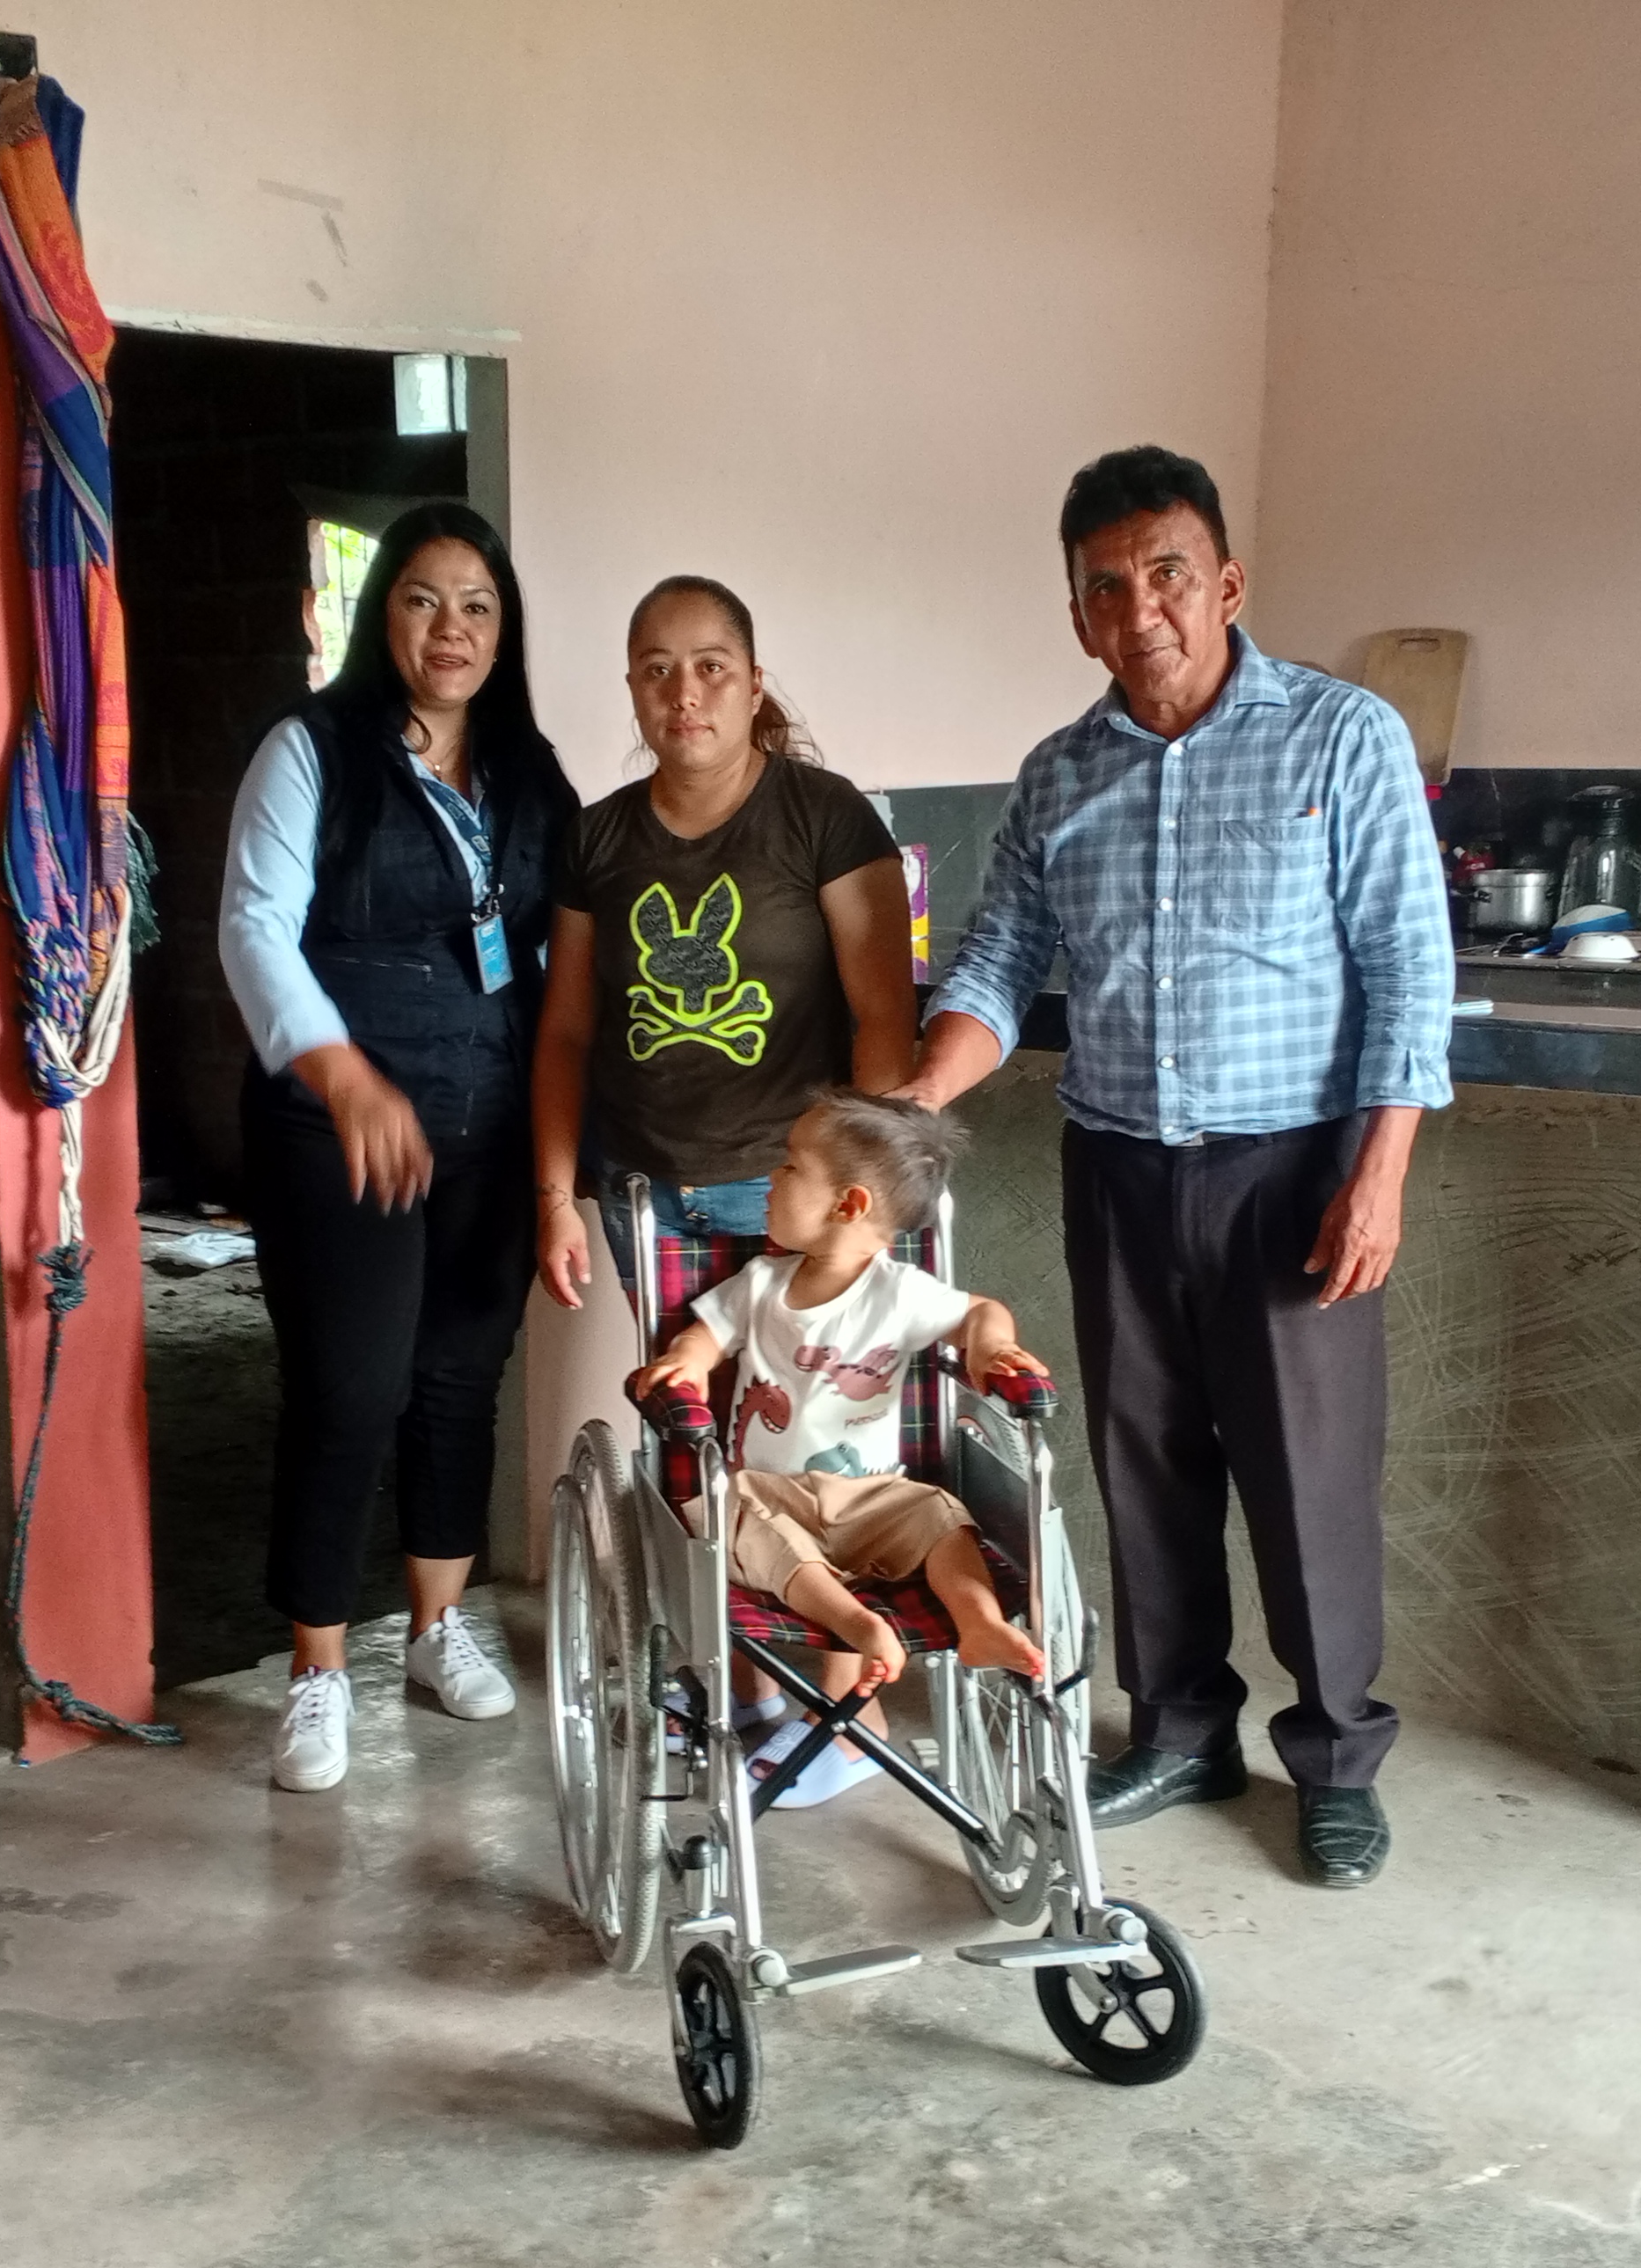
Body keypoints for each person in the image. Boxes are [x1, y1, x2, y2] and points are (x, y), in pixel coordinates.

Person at [903, 445, 1453, 1889]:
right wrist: (915, 1095)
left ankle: (1334, 1758)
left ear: (1225, 582)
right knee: (1142, 1463)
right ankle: (1181, 1727)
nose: (1139, 608)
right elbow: (998, 962)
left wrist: (1379, 1172)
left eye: (1165, 573)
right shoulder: (1058, 775)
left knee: (1307, 1479)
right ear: (1076, 614)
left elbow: (1408, 965)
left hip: (1290, 1173)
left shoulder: (1341, 737)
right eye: (1105, 587)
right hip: (1119, 1168)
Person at [219, 502, 580, 1793]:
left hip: (487, 1125)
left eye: (477, 605)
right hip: (339, 1131)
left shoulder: (528, 771)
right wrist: (343, 1075)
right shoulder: (311, 751)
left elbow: (563, 951)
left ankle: (436, 1629)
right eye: (423, 599)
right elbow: (254, 929)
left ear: (504, 629)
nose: (451, 629)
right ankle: (318, 1671)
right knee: (350, 1390)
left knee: (456, 1383)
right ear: (383, 614)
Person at [631, 1090, 1048, 1805]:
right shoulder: (761, 1283)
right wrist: (688, 1362)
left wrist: (991, 1347)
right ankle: (857, 1623)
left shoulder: (901, 1293)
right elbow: (706, 1334)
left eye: (791, 1167)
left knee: (941, 1515)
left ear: (848, 1205)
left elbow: (982, 1312)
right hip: (768, 1495)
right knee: (735, 1518)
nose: (771, 1179)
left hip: (873, 1496)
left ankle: (978, 1623)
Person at [531, 576, 919, 1306]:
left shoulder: (826, 815)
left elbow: (885, 1016)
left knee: (799, 1382)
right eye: (657, 669)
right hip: (640, 1194)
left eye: (711, 666)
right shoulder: (594, 837)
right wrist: (553, 1198)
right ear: (632, 687)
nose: (684, 693)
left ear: (754, 685)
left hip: (792, 1188)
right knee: (677, 1382)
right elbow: (566, 1033)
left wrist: (859, 1193)